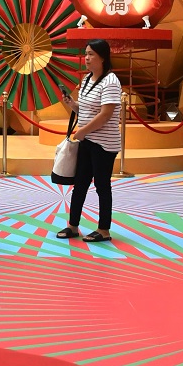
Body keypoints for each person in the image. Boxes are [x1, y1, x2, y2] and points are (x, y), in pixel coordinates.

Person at [55, 39, 122, 243]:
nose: (87, 58)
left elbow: (106, 114)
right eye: (86, 54)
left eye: (91, 54)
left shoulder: (111, 81)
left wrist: (82, 131)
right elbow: (85, 110)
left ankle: (104, 230)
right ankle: (72, 225)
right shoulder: (86, 80)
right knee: (80, 184)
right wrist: (72, 104)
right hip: (87, 140)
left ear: (103, 57)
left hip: (104, 144)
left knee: (102, 185)